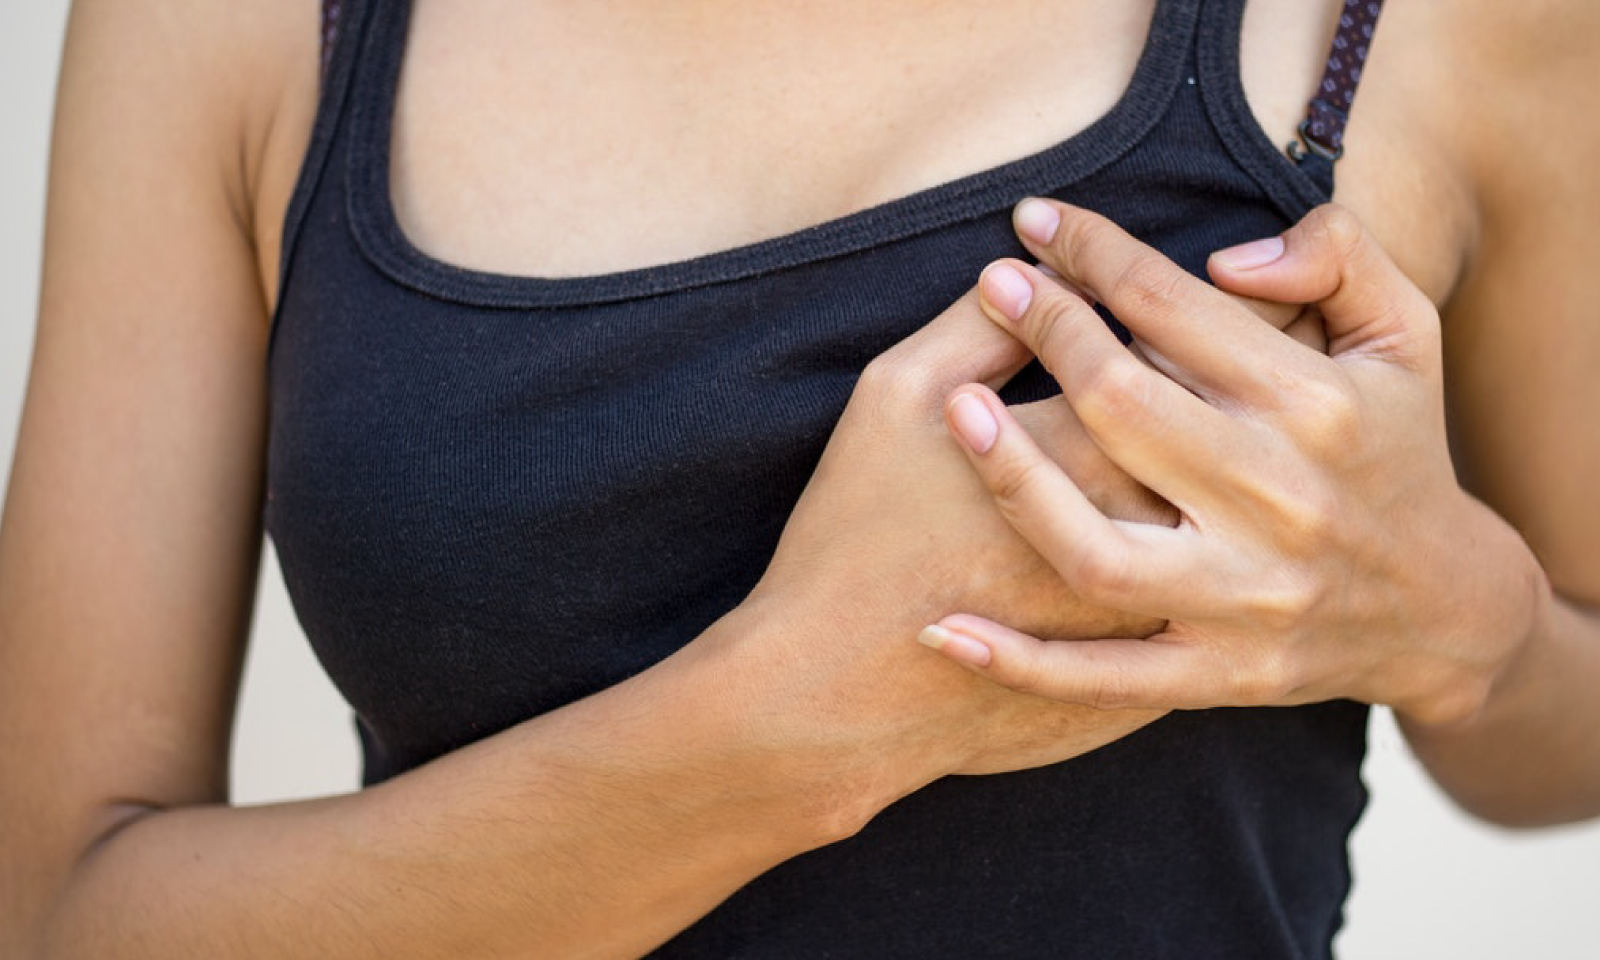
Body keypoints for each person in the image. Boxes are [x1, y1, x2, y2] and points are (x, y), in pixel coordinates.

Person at [1, 0, 1596, 958]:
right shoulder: (234, 27)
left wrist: (1474, 629)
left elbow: (1562, 726)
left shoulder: (1435, 29)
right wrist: (787, 726)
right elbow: (62, 917)